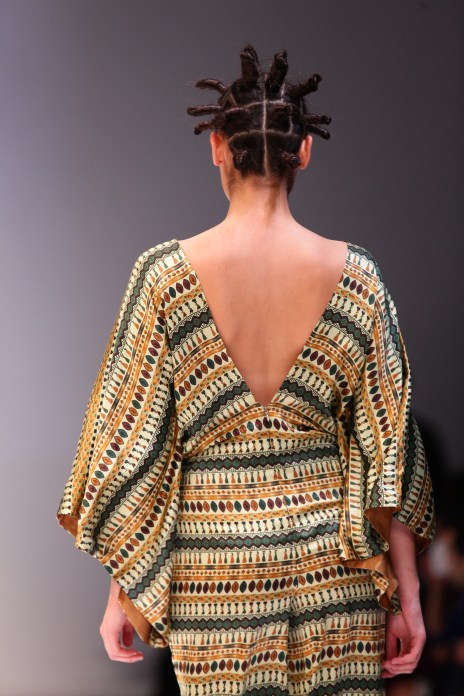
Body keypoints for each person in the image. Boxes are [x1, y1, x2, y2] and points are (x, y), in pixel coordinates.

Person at [56, 44, 436, 695]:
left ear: (217, 147)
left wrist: (124, 593)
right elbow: (389, 451)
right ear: (304, 152)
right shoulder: (359, 279)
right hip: (334, 571)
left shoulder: (164, 279)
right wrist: (408, 595)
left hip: (215, 576)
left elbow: (134, 450)